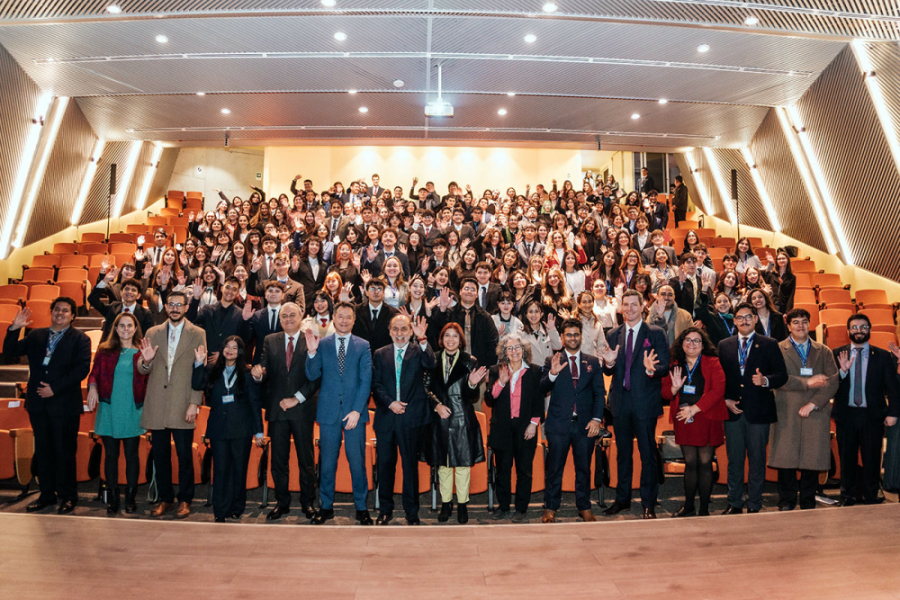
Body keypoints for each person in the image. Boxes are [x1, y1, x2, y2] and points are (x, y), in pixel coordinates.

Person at [3, 300, 91, 514]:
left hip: (64, 404)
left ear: (72, 316)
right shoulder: (35, 335)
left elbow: (81, 370)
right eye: (57, 310)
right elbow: (10, 351)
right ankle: (46, 495)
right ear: (51, 313)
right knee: (43, 451)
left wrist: (55, 389)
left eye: (65, 311)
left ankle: (68, 496)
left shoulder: (81, 339)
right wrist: (14, 328)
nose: (60, 314)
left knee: (65, 452)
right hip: (38, 403)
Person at [138, 290, 207, 519]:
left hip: (182, 403)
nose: (175, 308)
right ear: (166, 307)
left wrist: (194, 403)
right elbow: (141, 368)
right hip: (157, 402)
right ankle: (166, 499)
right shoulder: (152, 332)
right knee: (160, 455)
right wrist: (146, 361)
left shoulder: (198, 333)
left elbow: (200, 370)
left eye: (180, 304)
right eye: (171, 304)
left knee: (185, 456)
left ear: (187, 307)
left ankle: (185, 499)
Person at [304, 302, 374, 525]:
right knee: (327, 463)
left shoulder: (363, 345)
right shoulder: (322, 344)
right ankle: (326, 507)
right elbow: (312, 374)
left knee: (357, 462)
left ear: (354, 320)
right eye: (340, 316)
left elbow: (366, 381)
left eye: (348, 317)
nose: (344, 320)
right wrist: (312, 353)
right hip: (328, 412)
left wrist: (357, 410)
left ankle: (361, 507)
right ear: (333, 318)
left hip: (354, 413)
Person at [602, 290, 670, 519]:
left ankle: (649, 503)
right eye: (626, 305)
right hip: (620, 404)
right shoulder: (612, 334)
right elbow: (608, 367)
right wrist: (608, 365)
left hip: (645, 403)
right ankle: (622, 500)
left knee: (647, 454)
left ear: (642, 307)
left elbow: (664, 366)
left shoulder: (656, 333)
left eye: (634, 305)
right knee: (623, 455)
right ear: (620, 308)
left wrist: (652, 370)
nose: (629, 309)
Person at [251, 302, 320, 521]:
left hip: (302, 408)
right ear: (279, 319)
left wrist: (296, 399)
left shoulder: (311, 338)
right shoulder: (270, 340)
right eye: (284, 316)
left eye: (292, 315)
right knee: (278, 460)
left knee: (305, 460)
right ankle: (282, 503)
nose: (288, 318)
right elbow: (263, 370)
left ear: (301, 316)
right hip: (277, 409)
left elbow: (316, 375)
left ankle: (308, 503)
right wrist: (258, 375)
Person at [718, 302, 789, 514]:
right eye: (740, 317)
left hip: (759, 412)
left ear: (756, 319)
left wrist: (765, 380)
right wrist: (724, 400)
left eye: (749, 316)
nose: (744, 321)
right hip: (733, 411)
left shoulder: (769, 343)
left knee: (757, 461)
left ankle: (755, 504)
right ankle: (735, 503)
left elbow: (782, 375)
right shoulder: (724, 345)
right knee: (735, 461)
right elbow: (718, 379)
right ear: (735, 320)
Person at [767, 308, 839, 511]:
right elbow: (776, 378)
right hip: (787, 409)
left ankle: (808, 501)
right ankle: (786, 501)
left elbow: (832, 382)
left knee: (812, 459)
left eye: (805, 322)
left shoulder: (823, 350)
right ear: (788, 325)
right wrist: (807, 382)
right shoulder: (777, 349)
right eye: (796, 322)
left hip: (816, 410)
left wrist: (813, 404)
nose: (801, 326)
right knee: (786, 459)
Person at [371, 314, 437, 525]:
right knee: (385, 466)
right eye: (396, 329)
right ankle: (385, 510)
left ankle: (411, 511)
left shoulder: (419, 351)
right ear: (390, 331)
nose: (400, 334)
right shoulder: (380, 354)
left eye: (404, 330)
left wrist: (423, 339)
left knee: (410, 466)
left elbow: (431, 364)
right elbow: (376, 384)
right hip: (386, 417)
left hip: (411, 419)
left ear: (410, 331)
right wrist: (390, 403)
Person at [539, 318, 606, 523]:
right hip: (559, 424)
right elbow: (541, 389)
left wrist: (596, 420)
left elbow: (599, 393)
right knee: (554, 469)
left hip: (586, 426)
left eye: (576, 334)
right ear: (562, 337)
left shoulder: (592, 361)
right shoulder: (553, 360)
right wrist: (552, 374)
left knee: (584, 468)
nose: (573, 338)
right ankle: (550, 507)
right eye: (568, 334)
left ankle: (584, 507)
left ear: (581, 336)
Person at [191, 336, 264, 522]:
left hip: (242, 429)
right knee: (221, 470)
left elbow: (254, 403)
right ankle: (220, 510)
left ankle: (236, 507)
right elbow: (197, 385)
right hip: (218, 429)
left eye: (234, 347)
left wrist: (259, 431)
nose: (230, 350)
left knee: (239, 470)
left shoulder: (247, 374)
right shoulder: (212, 370)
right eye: (227, 347)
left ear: (240, 351)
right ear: (222, 349)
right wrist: (199, 363)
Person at [832, 314, 900, 505]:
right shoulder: (837, 353)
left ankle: (871, 495)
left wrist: (893, 413)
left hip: (873, 416)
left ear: (869, 329)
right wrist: (843, 372)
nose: (858, 331)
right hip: (846, 415)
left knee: (871, 458)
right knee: (847, 458)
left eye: (863, 327)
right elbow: (830, 385)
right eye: (854, 327)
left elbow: (893, 388)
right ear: (848, 331)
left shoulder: (883, 356)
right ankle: (847, 495)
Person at [425, 323, 488, 524]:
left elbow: (472, 396)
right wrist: (436, 406)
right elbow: (424, 388)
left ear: (461, 340)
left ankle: (462, 504)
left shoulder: (470, 361)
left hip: (462, 418)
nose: (450, 340)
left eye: (454, 336)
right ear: (441, 339)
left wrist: (471, 384)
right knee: (443, 466)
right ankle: (445, 504)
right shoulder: (432, 358)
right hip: (440, 419)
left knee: (462, 466)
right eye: (447, 336)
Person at [87, 312, 149, 515]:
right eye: (121, 325)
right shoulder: (105, 350)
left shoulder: (142, 352)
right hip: (108, 407)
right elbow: (94, 373)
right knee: (111, 455)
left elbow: (147, 375)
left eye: (129, 325)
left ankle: (131, 498)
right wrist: (93, 388)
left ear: (135, 328)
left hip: (132, 408)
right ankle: (112, 498)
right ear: (115, 328)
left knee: (132, 455)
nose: (125, 329)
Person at [662, 327, 727, 517]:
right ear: (681, 343)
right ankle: (689, 506)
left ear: (703, 344)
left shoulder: (713, 362)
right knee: (690, 463)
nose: (692, 344)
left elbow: (718, 390)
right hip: (684, 418)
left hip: (706, 416)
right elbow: (664, 391)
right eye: (688, 340)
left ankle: (704, 509)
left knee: (705, 463)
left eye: (696, 340)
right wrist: (674, 389)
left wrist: (695, 409)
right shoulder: (675, 364)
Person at [484, 333, 544, 522]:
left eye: (517, 347)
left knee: (524, 471)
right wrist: (501, 382)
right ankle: (503, 507)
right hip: (502, 429)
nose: (514, 351)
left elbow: (538, 401)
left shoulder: (534, 371)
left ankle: (521, 509)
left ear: (524, 350)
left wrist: (534, 424)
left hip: (526, 428)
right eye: (510, 348)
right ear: (504, 352)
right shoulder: (496, 370)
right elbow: (489, 399)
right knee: (502, 470)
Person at [431, 278, 500, 369]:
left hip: (478, 367)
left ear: (476, 294)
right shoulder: (450, 313)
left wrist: (488, 368)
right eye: (466, 288)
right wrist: (442, 309)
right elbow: (435, 330)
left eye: (473, 289)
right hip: (452, 366)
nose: (469, 292)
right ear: (460, 291)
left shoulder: (484, 317)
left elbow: (492, 343)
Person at [186, 276, 246, 361]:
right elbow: (192, 318)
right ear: (222, 288)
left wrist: (222, 353)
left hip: (228, 360)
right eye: (227, 287)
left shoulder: (240, 314)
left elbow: (244, 339)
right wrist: (196, 298)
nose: (230, 292)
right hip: (206, 359)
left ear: (238, 293)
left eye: (234, 289)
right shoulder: (208, 309)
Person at [88, 274, 154, 343]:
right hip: (109, 348)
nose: (129, 292)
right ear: (121, 293)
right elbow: (92, 299)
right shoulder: (113, 307)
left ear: (138, 296)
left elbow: (147, 336)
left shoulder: (145, 313)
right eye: (127, 289)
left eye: (133, 290)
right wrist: (105, 281)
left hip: (134, 350)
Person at [241, 281, 285, 364]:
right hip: (260, 361)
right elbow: (247, 338)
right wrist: (246, 320)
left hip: (283, 361)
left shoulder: (288, 315)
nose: (273, 293)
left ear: (283, 295)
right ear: (265, 295)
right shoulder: (256, 315)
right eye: (270, 291)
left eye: (277, 291)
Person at [353, 278, 399, 353]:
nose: (376, 292)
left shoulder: (393, 313)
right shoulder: (356, 310)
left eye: (379, 289)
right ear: (366, 292)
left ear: (384, 293)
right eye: (372, 289)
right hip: (360, 353)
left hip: (384, 355)